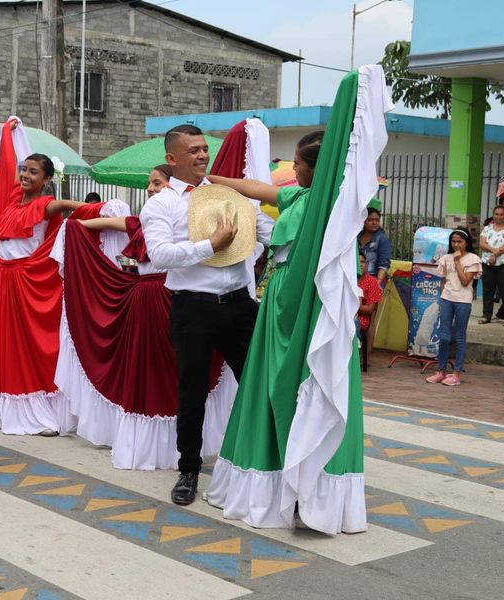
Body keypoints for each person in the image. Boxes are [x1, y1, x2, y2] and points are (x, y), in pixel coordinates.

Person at [207, 66, 389, 534]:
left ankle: (306, 485)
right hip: (278, 302)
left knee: (299, 385)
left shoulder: (333, 208)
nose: (293, 169)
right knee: (270, 387)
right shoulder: (299, 198)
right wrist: (216, 180)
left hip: (301, 303)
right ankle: (280, 480)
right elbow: (261, 189)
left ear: (318, 166)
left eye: (299, 163)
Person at [139, 124, 273, 504]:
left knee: (261, 384)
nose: (202, 156)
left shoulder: (228, 193)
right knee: (192, 393)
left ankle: (267, 465)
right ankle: (188, 471)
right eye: (193, 150)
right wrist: (210, 246)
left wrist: (260, 246)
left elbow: (269, 232)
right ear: (172, 158)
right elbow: (160, 256)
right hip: (192, 308)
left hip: (239, 305)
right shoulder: (161, 204)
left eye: (203, 149)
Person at [0, 117, 91, 436]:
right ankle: (0, 401)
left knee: (29, 344)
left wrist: (103, 210)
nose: (25, 175)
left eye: (33, 172)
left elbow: (72, 206)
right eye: (24, 169)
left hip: (25, 282)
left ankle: (39, 409)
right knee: (1, 342)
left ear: (46, 179)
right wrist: (10, 134)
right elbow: (6, 168)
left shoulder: (45, 205)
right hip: (1, 281)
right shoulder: (11, 203)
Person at [426, 229, 481, 386]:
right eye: (453, 241)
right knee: (444, 337)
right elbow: (444, 280)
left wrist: (457, 262)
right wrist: (442, 296)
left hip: (463, 300)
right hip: (447, 299)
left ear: (467, 242)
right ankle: (441, 371)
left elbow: (465, 281)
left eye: (460, 241)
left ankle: (456, 373)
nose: (456, 245)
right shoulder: (446, 258)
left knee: (459, 337)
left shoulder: (473, 259)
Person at [478, 204, 504, 326]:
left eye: (501, 214)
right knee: (488, 290)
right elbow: (482, 243)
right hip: (487, 263)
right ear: (493, 215)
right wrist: (493, 250)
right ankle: (486, 315)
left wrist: (496, 254)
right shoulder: (487, 228)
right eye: (496, 214)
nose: (498, 216)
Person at [358, 207, 391, 285]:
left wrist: (377, 283)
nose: (374, 222)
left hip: (374, 281)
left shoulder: (382, 239)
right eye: (370, 220)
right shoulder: (357, 237)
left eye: (377, 220)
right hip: (357, 279)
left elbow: (384, 264)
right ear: (363, 221)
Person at [357, 253, 382, 337]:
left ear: (366, 263)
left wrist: (352, 307)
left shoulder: (372, 282)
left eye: (362, 262)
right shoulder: (347, 280)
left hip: (362, 319)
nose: (360, 265)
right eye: (357, 262)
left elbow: (370, 309)